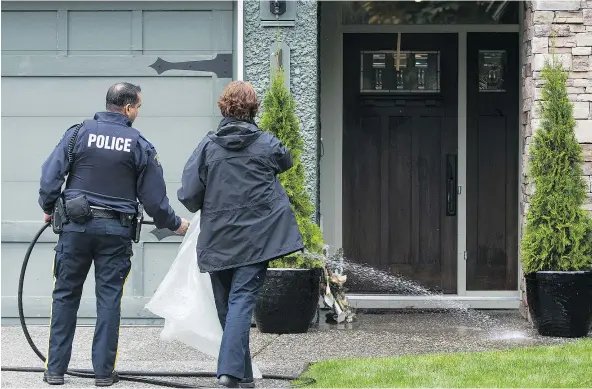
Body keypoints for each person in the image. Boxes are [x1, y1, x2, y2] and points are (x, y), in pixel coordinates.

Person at [38, 82, 190, 387]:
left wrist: (49, 205)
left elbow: (50, 176)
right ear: (129, 108)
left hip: (75, 229)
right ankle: (103, 375)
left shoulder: (78, 133)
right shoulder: (139, 143)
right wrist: (175, 224)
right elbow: (154, 199)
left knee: (65, 296)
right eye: (139, 107)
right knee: (108, 300)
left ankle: (55, 372)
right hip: (115, 232)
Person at [177, 81, 304, 388]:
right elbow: (286, 160)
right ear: (253, 108)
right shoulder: (266, 143)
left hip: (218, 240)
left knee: (229, 306)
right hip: (255, 241)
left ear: (224, 106)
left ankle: (234, 374)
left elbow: (189, 193)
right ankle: (236, 374)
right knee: (238, 304)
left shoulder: (208, 146)